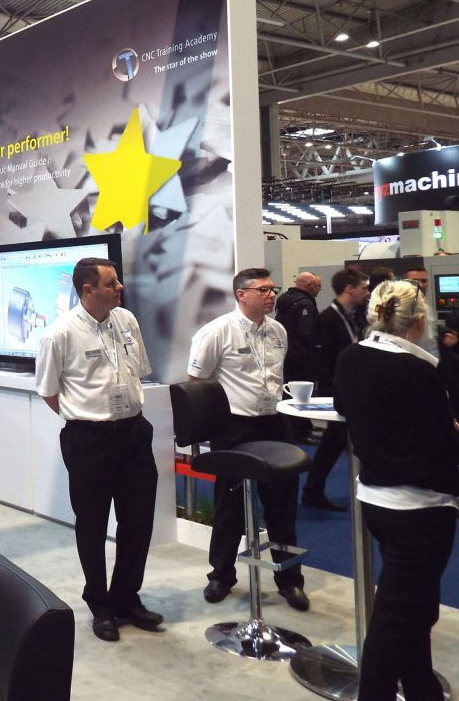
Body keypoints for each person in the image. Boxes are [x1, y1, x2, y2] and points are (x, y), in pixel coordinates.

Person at [334, 279, 459, 701]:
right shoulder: (417, 371)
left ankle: (423, 688)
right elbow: (441, 446)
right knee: (396, 619)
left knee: (414, 609)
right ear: (419, 321)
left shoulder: (351, 356)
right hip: (420, 508)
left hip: (377, 500)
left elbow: (346, 410)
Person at [35, 258, 162, 643]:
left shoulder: (127, 320)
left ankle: (127, 596)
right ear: (88, 290)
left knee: (138, 521)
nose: (120, 287)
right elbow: (49, 392)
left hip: (134, 434)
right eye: (111, 283)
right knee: (92, 524)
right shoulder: (59, 333)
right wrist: (86, 419)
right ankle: (100, 603)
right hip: (89, 440)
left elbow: (138, 370)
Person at [187, 267, 308, 612]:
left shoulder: (278, 330)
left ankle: (290, 580)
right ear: (241, 294)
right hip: (234, 428)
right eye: (263, 290)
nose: (272, 295)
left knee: (282, 505)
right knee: (231, 506)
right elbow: (196, 382)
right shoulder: (217, 332)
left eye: (273, 289)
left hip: (275, 423)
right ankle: (221, 575)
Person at [303, 268, 369, 511]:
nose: (367, 292)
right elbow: (322, 360)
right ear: (349, 289)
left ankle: (313, 490)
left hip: (351, 389)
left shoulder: (354, 316)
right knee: (341, 442)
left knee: (333, 443)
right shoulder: (328, 319)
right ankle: (313, 490)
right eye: (363, 288)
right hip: (339, 391)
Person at [275, 271, 322, 444]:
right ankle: (301, 431)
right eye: (318, 286)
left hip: (287, 355)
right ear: (309, 286)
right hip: (302, 357)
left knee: (290, 394)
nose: (320, 290)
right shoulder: (305, 304)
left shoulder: (284, 301)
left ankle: (298, 426)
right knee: (302, 395)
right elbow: (306, 332)